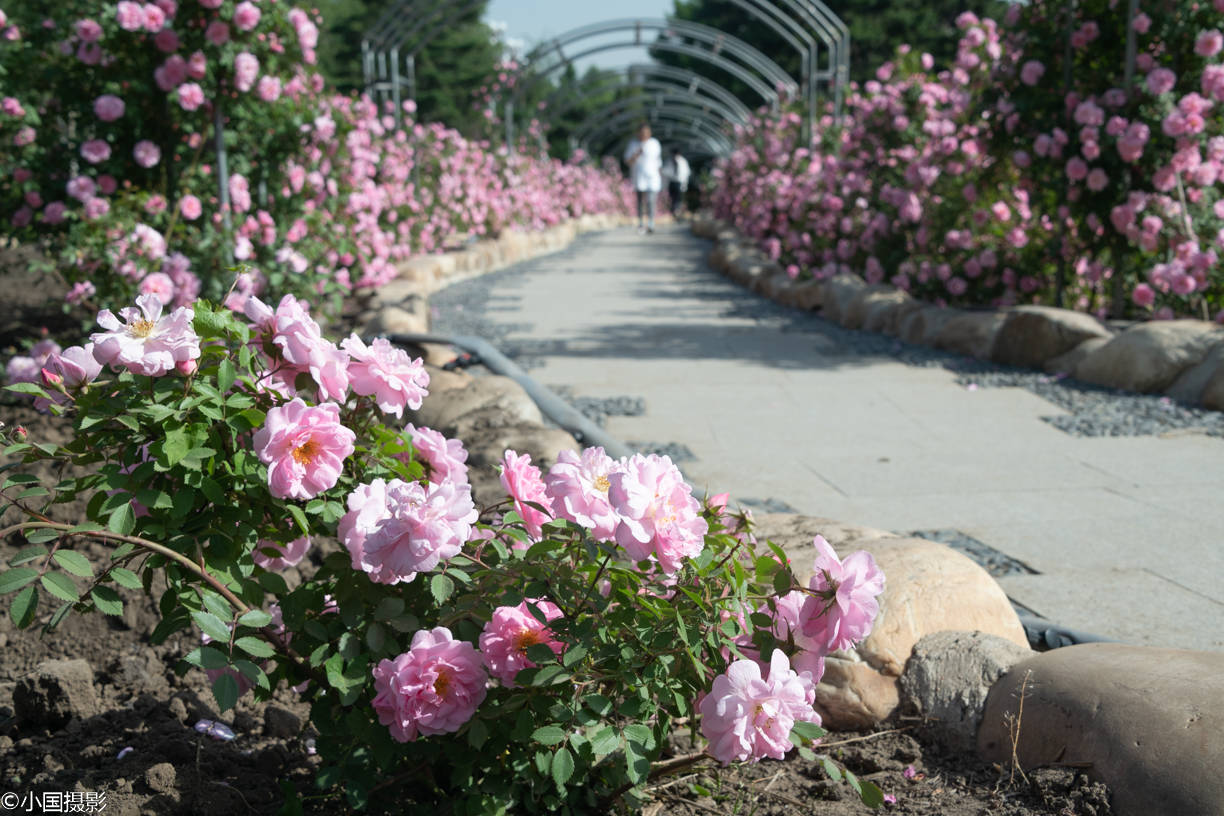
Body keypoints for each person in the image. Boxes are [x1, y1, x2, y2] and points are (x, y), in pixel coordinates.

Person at [623, 123, 662, 234]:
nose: (644, 135)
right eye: (642, 132)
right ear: (638, 133)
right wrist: (636, 155)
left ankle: (650, 223)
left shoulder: (654, 143)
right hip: (638, 177)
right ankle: (640, 223)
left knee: (650, 201)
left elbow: (658, 161)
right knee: (640, 202)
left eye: (646, 132)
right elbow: (627, 161)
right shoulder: (633, 144)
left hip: (652, 178)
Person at [663, 149, 691, 218]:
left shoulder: (682, 161)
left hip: (679, 182)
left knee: (678, 198)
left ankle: (677, 211)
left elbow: (686, 172)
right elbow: (666, 171)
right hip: (671, 182)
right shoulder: (669, 161)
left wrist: (684, 183)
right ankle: (673, 211)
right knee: (672, 197)